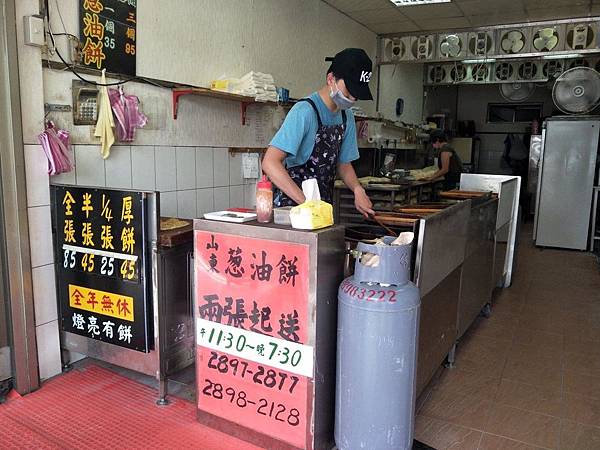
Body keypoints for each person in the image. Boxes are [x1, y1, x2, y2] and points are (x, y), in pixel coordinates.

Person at [262, 48, 375, 218]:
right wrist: (307, 203)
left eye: (356, 94)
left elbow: (343, 164)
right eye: (349, 90)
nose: (352, 98)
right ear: (331, 79)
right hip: (294, 209)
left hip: (322, 209)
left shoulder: (347, 117)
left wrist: (357, 189)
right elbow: (270, 162)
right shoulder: (304, 112)